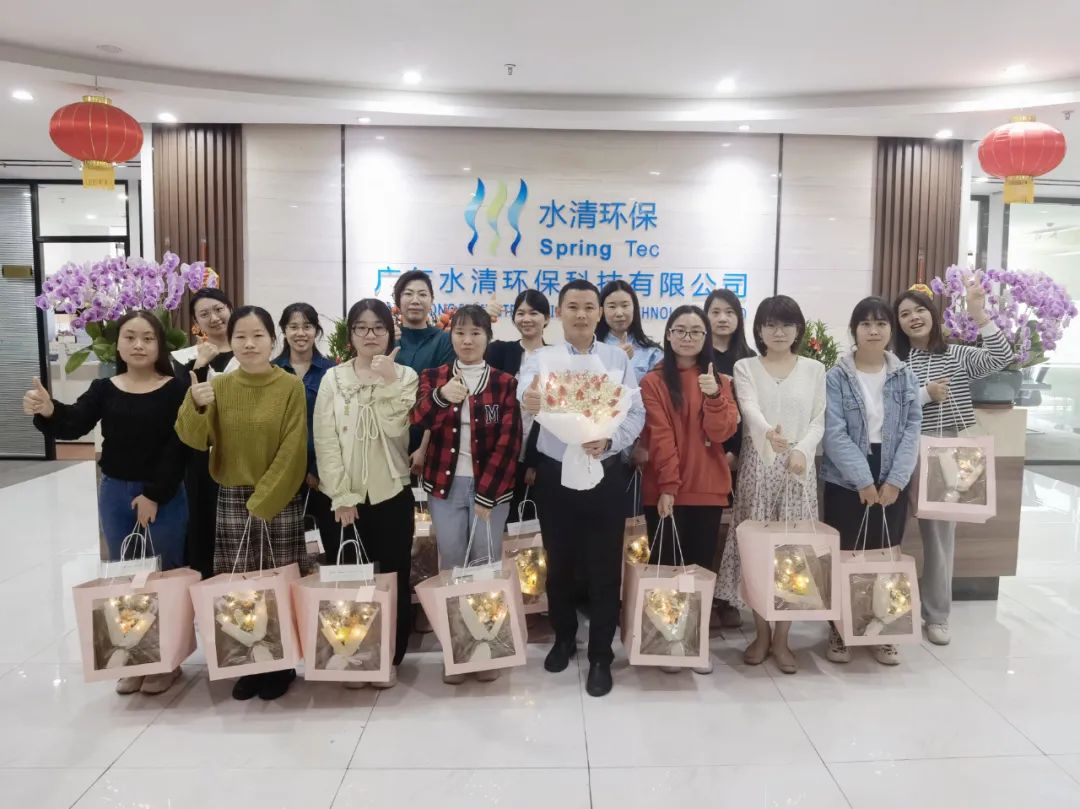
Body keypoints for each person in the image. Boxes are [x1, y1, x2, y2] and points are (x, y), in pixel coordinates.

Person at [25, 310, 190, 696]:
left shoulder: (175, 389)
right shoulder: (105, 388)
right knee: (125, 575)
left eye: (147, 338)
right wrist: (49, 409)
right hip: (115, 492)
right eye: (130, 337)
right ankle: (136, 658)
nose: (138, 345)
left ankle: (168, 662)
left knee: (164, 576)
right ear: (117, 344)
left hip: (163, 493)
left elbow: (179, 446)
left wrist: (154, 494)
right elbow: (74, 422)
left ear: (160, 345)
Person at [520, 279, 646, 698]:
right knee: (559, 562)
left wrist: (610, 440)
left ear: (599, 313)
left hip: (604, 472)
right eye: (572, 306)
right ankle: (563, 638)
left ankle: (600, 655)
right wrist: (531, 399)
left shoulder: (616, 359)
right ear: (559, 313)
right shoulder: (542, 358)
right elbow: (526, 392)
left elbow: (636, 412)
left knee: (604, 566)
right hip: (554, 474)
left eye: (589, 307)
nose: (581, 314)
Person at [175, 306, 308, 702]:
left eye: (258, 336)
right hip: (232, 496)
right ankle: (248, 661)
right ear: (229, 342)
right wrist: (195, 402)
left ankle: (281, 664)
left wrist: (263, 500)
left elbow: (293, 448)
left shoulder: (290, 386)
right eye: (241, 337)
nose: (249, 344)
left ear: (273, 341)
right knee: (239, 585)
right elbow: (193, 438)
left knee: (277, 583)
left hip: (278, 496)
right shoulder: (219, 386)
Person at [894, 277, 1012, 646]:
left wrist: (978, 313)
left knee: (940, 538)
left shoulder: (957, 354)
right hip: (901, 449)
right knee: (889, 532)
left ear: (932, 313)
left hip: (945, 448)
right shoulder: (895, 360)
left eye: (919, 310)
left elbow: (1001, 357)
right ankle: (884, 610)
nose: (913, 318)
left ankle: (937, 615)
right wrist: (925, 394)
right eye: (904, 314)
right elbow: (887, 404)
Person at [716, 295, 826, 675]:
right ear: (759, 330)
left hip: (798, 471)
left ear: (798, 330)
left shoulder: (814, 369)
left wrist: (803, 450)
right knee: (758, 553)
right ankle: (761, 634)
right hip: (758, 469)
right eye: (771, 325)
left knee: (791, 555)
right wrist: (769, 435)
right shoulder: (745, 366)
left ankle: (783, 639)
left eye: (786, 325)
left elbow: (818, 419)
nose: (779, 332)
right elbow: (749, 409)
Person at [412, 305, 521, 684]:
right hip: (444, 488)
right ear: (451, 337)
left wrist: (487, 494)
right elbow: (418, 418)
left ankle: (487, 649)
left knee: (485, 566)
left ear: (488, 338)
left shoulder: (504, 383)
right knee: (452, 567)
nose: (467, 340)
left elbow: (509, 441)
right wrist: (442, 397)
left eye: (476, 333)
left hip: (491, 489)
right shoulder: (434, 377)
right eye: (460, 333)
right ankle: (456, 651)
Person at [314, 299, 418, 690]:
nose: (370, 334)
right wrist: (340, 494)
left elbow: (398, 431)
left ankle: (388, 656)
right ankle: (353, 654)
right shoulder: (333, 378)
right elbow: (325, 439)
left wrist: (388, 382)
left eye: (378, 327)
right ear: (351, 334)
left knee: (392, 577)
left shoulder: (405, 375)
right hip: (345, 499)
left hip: (391, 492)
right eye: (361, 327)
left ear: (390, 332)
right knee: (350, 581)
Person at [822, 296, 922, 666]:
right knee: (846, 553)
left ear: (891, 330)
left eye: (881, 323)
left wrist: (896, 480)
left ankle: (885, 629)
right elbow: (834, 433)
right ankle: (840, 629)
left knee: (886, 553)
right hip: (846, 476)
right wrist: (863, 480)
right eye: (865, 323)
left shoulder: (904, 375)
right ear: (854, 330)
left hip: (892, 469)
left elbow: (912, 429)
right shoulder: (835, 377)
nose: (873, 330)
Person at [640, 305, 739, 675]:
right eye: (680, 330)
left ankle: (694, 643)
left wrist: (714, 397)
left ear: (705, 338)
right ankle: (667, 641)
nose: (687, 337)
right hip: (666, 492)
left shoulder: (719, 380)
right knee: (667, 569)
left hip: (708, 488)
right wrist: (668, 485)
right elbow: (660, 436)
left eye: (695, 331)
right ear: (668, 335)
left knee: (699, 572)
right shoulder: (652, 382)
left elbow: (722, 432)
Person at [171, 288, 239, 579]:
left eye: (219, 309)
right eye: (204, 313)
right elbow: (181, 409)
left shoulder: (248, 351)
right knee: (203, 522)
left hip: (241, 453)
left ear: (230, 309)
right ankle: (206, 587)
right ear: (196, 322)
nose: (214, 317)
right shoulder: (185, 359)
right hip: (200, 457)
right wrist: (199, 367)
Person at [704, 287, 757, 628]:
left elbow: (752, 413)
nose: (722, 318)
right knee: (708, 528)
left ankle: (728, 598)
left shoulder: (750, 359)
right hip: (705, 456)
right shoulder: (699, 356)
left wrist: (737, 452)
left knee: (735, 531)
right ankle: (706, 596)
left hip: (742, 458)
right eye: (715, 312)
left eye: (730, 312)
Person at [273, 303, 336, 559]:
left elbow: (336, 423)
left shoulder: (331, 372)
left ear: (316, 331)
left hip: (323, 474)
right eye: (294, 327)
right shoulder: (272, 371)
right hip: (282, 472)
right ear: (284, 331)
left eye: (307, 326)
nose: (301, 333)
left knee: (330, 543)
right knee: (286, 547)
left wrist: (316, 469)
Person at [485, 288, 549, 519]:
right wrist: (485, 320)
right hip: (501, 455)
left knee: (532, 523)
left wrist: (534, 461)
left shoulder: (557, 357)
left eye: (534, 313)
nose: (526, 318)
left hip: (539, 457)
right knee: (500, 521)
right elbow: (469, 352)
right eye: (520, 313)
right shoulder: (500, 351)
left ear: (546, 318)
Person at [391, 270, 456, 474]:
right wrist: (384, 341)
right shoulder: (387, 338)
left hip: (428, 439)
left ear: (431, 300)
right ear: (398, 300)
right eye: (408, 293)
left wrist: (423, 447)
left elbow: (443, 397)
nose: (415, 300)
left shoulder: (444, 340)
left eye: (422, 294)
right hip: (387, 436)